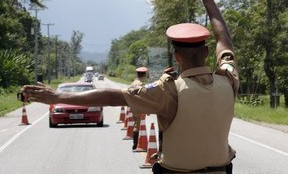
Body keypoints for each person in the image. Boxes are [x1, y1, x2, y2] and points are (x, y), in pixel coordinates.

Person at [21, 0, 238, 173]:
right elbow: (224, 41)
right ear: (207, 53)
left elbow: (110, 97)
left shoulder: (169, 90)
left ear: (177, 56)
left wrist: (58, 96)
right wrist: (209, 3)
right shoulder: (228, 79)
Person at [130, 67, 148, 150]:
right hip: (139, 107)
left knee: (136, 124)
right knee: (139, 126)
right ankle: (137, 144)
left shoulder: (133, 83)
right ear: (144, 75)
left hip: (133, 106)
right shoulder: (141, 85)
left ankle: (135, 144)